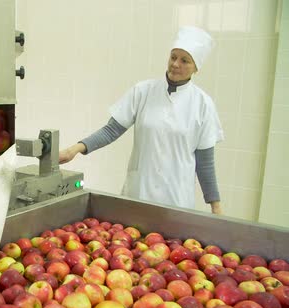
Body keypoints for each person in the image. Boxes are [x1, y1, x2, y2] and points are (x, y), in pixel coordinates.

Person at [60, 26, 223, 214]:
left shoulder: (203, 104)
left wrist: (215, 207)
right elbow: (111, 131)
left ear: (196, 68)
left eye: (184, 60)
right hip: (139, 193)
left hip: (176, 200)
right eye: (173, 57)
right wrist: (74, 150)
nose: (176, 64)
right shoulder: (143, 91)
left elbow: (205, 163)